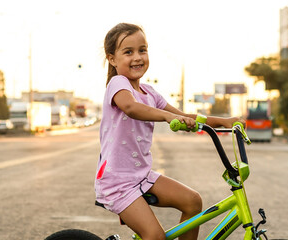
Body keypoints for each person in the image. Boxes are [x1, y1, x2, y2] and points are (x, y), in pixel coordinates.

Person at [95, 23, 243, 240]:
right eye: (128, 52)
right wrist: (167, 116)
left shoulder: (150, 93)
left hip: (142, 176)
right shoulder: (118, 84)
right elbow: (131, 107)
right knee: (155, 237)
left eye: (142, 50)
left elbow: (186, 116)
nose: (137, 57)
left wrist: (226, 122)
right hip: (117, 182)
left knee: (192, 202)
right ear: (112, 59)